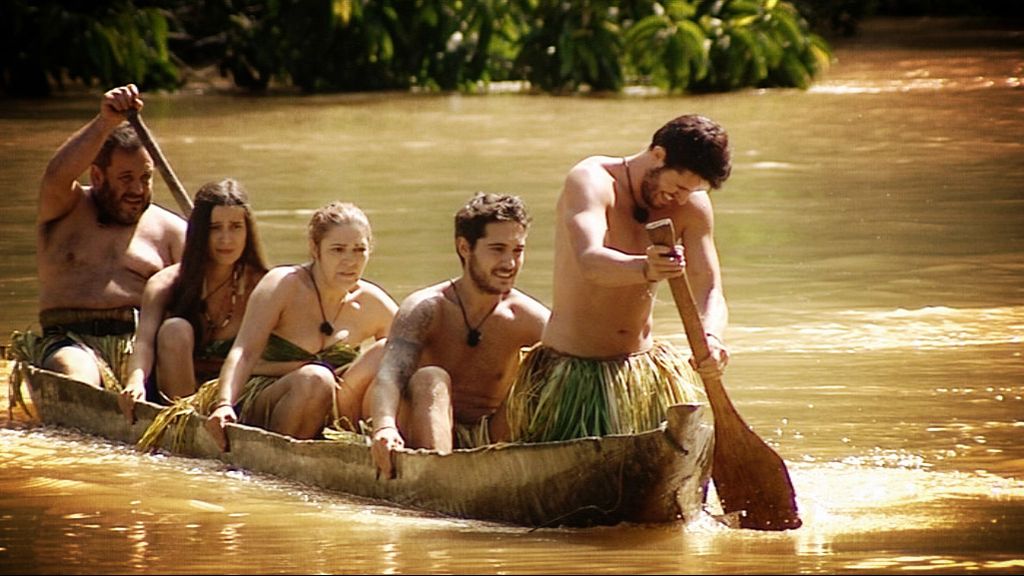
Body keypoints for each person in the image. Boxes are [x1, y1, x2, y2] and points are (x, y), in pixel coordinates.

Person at [505, 114, 732, 443]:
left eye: (692, 191)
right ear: (658, 154)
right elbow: (590, 262)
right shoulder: (592, 181)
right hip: (572, 373)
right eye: (679, 187)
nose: (682, 199)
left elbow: (709, 287)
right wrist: (646, 268)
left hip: (641, 372)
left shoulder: (692, 206)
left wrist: (712, 337)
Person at [367, 193, 550, 479]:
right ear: (465, 248)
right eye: (498, 249)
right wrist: (385, 427)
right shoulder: (427, 308)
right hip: (420, 426)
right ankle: (441, 477)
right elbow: (390, 374)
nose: (509, 263)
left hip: (488, 436)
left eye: (517, 251)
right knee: (431, 377)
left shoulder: (527, 318)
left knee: (550, 369)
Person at [202, 201, 398, 451]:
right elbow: (244, 352)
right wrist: (224, 404)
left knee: (390, 349)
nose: (350, 261)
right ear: (315, 249)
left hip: (338, 408)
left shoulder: (372, 302)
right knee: (315, 379)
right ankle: (278, 460)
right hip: (271, 396)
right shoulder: (283, 285)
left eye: (359, 250)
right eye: (338, 250)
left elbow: (416, 354)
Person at [31, 83, 186, 389]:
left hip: (144, 347)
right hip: (71, 342)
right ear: (98, 177)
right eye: (126, 178)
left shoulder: (173, 230)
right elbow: (56, 176)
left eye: (145, 178)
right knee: (77, 374)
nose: (138, 190)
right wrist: (105, 122)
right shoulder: (65, 209)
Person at [118, 178, 270, 421]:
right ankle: (186, 428)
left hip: (234, 398)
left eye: (235, 227)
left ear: (248, 230)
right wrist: (135, 380)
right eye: (215, 228)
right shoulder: (165, 283)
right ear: (200, 232)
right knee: (174, 329)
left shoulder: (264, 285)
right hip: (177, 398)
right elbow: (144, 342)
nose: (226, 239)